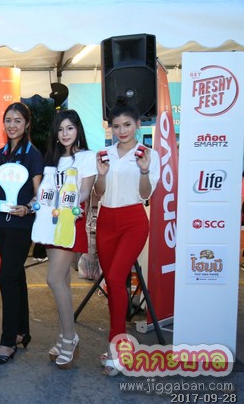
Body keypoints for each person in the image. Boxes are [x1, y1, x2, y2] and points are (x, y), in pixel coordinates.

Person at [94, 97, 160, 376]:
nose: (122, 130)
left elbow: (146, 195)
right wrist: (101, 174)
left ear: (138, 125)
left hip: (133, 221)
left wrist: (144, 170)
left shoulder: (148, 155)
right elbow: (98, 192)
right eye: (116, 126)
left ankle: (117, 347)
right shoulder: (104, 154)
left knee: (115, 277)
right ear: (110, 128)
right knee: (113, 283)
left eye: (127, 125)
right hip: (106, 221)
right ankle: (120, 342)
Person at [41, 109, 96, 369]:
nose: (65, 133)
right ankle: (66, 336)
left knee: (53, 279)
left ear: (77, 130)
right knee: (62, 280)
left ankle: (69, 338)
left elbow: (85, 191)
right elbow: (46, 190)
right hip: (50, 222)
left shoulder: (87, 157)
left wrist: (69, 204)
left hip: (70, 222)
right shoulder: (52, 159)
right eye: (61, 129)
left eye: (70, 128)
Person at [0, 102, 43, 365]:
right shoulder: (0, 154)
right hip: (2, 223)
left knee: (6, 278)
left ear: (27, 124)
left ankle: (8, 342)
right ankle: (22, 331)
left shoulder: (33, 154)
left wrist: (28, 208)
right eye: (8, 120)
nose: (12, 125)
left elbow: (40, 194)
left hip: (21, 225)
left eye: (18, 120)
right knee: (17, 276)